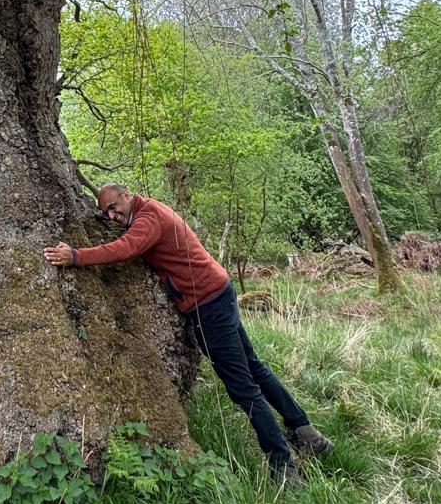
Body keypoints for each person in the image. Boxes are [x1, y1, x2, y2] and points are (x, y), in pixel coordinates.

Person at [43, 183, 332, 483]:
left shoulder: (148, 218)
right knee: (254, 369)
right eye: (106, 214)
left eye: (113, 207)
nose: (112, 216)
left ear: (126, 195)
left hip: (208, 305)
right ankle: (307, 434)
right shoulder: (149, 210)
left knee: (244, 388)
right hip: (218, 292)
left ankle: (284, 468)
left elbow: (124, 248)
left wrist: (76, 256)